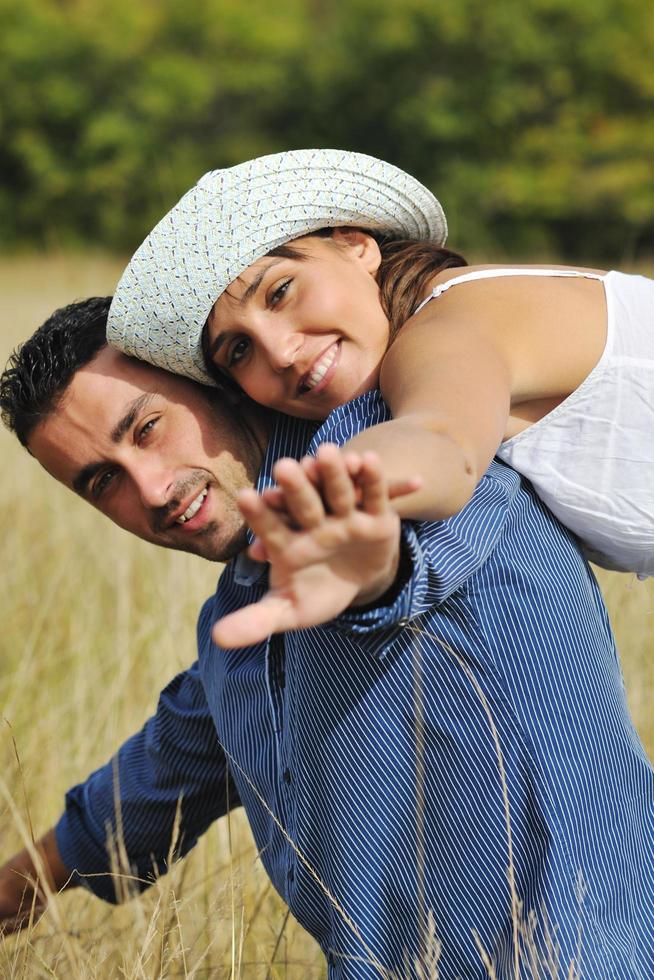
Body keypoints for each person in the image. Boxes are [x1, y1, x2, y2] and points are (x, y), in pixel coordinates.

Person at [1, 300, 653, 978]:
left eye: (148, 429)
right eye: (104, 481)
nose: (154, 489)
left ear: (211, 379)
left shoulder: (403, 454)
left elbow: (406, 546)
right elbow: (179, 755)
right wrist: (30, 876)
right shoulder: (243, 616)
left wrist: (371, 568)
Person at [107, 148, 654, 578]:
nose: (279, 352)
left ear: (356, 247)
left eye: (280, 293)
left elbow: (441, 441)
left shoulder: (447, 330)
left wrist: (347, 485)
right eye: (239, 351)